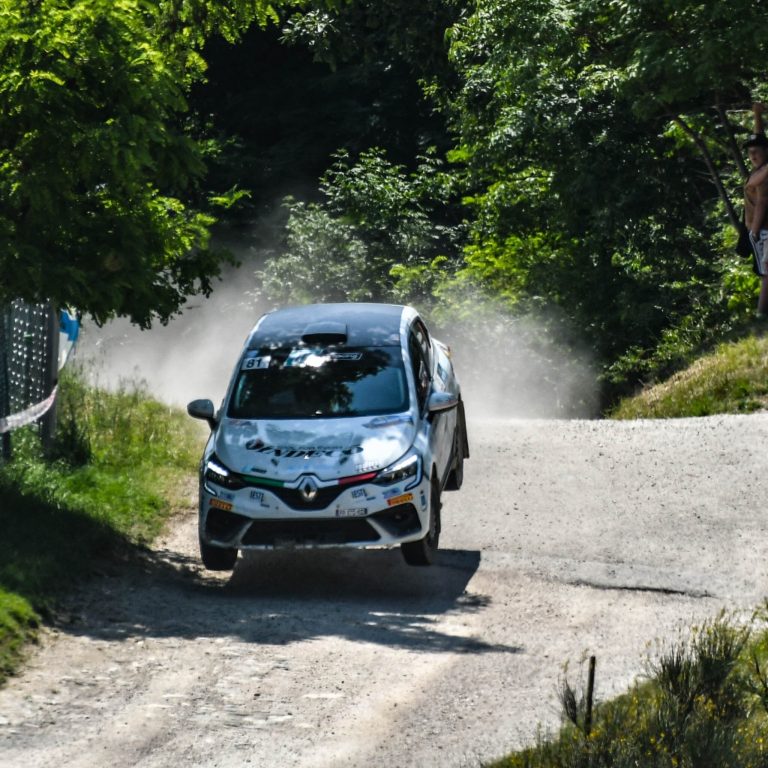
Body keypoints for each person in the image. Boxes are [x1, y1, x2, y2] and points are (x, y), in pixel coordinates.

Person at [743, 102, 768, 316]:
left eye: (756, 153)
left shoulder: (763, 176)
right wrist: (757, 116)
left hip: (762, 230)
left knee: (766, 272)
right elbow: (759, 140)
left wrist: (755, 230)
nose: (752, 156)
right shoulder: (760, 168)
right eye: (750, 153)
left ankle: (761, 313)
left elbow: (762, 202)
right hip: (759, 229)